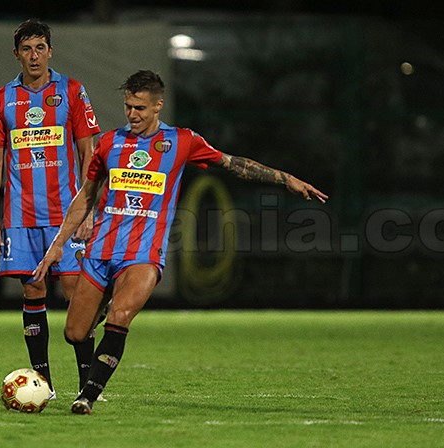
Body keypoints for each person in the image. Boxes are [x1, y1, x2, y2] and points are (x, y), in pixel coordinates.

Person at [33, 70, 329, 414]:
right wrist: (57, 245)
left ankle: (87, 397)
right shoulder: (109, 143)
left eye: (140, 108)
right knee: (74, 333)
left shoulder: (182, 141)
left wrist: (285, 178)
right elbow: (86, 195)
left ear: (158, 105)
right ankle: (99, 312)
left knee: (121, 314)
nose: (132, 114)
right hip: (100, 250)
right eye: (128, 107)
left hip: (143, 254)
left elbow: (233, 164)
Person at [0, 19, 101, 399]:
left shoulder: (72, 91)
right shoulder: (2, 99)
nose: (34, 56)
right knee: (33, 289)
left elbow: (88, 151)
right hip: (21, 216)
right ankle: (42, 383)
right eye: (27, 49)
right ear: (16, 54)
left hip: (67, 213)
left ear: (50, 51)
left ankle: (88, 383)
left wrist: (89, 209)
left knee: (74, 290)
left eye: (40, 48)